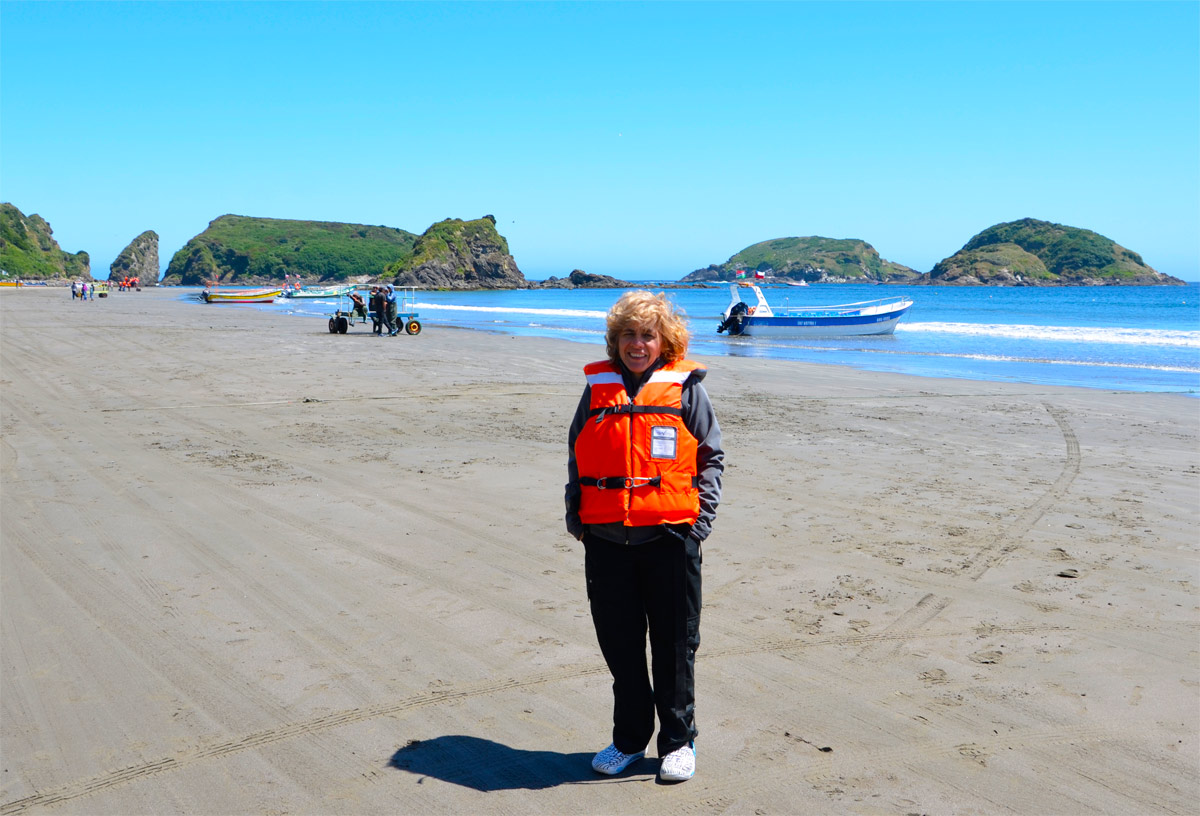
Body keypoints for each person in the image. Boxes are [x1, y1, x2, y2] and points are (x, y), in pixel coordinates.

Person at [564, 290, 724, 784]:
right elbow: (577, 452)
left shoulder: (687, 389)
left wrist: (700, 523)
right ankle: (629, 740)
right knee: (621, 646)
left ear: (664, 340)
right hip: (608, 540)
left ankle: (679, 742)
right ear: (616, 341)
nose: (638, 344)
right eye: (629, 335)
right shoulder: (596, 391)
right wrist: (578, 516)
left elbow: (711, 458)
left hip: (671, 538)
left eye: (647, 335)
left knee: (676, 646)